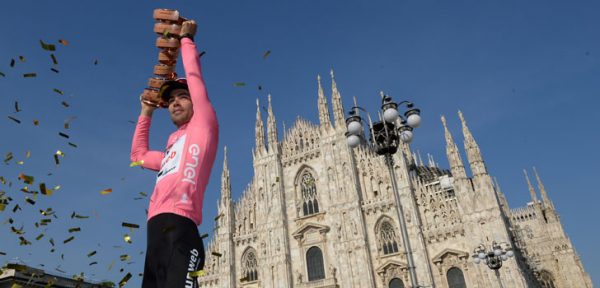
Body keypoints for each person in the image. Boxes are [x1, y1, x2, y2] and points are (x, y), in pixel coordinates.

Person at [130, 19, 219, 288]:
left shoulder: (204, 125)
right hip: (154, 235)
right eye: (170, 101)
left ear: (195, 101)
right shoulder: (170, 148)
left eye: (182, 97)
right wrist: (146, 112)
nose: (174, 103)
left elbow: (194, 77)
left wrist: (186, 40)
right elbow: (138, 155)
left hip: (182, 229)